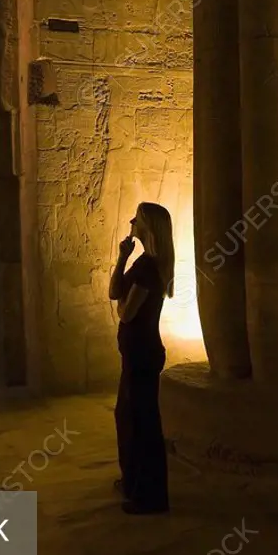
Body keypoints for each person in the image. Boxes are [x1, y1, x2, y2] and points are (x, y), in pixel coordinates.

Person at [108, 202, 175, 514]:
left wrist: (122, 305)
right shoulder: (142, 262)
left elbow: (126, 312)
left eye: (138, 217)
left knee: (143, 423)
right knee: (127, 416)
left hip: (143, 353)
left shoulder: (149, 268)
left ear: (148, 226)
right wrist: (121, 256)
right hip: (137, 353)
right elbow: (113, 294)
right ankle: (134, 481)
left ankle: (150, 497)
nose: (132, 220)